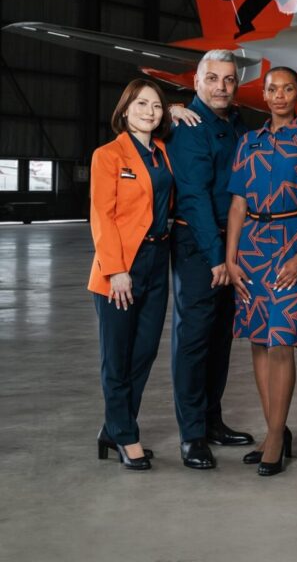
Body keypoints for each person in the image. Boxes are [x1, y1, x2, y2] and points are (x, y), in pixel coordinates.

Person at [225, 67, 297, 476]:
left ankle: (274, 438)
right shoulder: (247, 141)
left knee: (282, 341)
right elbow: (236, 204)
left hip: (289, 243)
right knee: (258, 341)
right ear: (263, 95)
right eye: (272, 89)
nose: (279, 95)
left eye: (287, 88)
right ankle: (274, 432)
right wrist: (230, 258)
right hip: (250, 248)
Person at [167, 49, 253, 469]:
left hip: (230, 244)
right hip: (200, 247)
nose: (222, 87)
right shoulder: (189, 125)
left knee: (220, 337)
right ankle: (192, 435)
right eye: (214, 79)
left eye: (229, 80)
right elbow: (195, 197)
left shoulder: (233, 123)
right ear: (197, 81)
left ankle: (212, 420)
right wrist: (217, 257)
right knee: (195, 340)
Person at [89, 79, 174, 471]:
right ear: (125, 109)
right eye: (141, 104)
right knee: (117, 357)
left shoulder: (161, 153)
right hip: (121, 267)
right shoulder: (108, 155)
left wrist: (182, 112)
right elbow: (102, 217)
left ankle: (114, 427)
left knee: (144, 351)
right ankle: (126, 435)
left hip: (158, 260)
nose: (150, 111)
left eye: (157, 106)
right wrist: (116, 270)